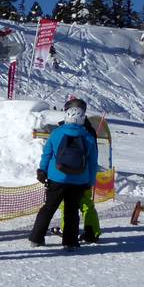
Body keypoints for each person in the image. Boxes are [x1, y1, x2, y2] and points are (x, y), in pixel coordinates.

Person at [29, 98, 99, 250]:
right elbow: (93, 162)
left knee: (48, 208)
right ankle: (70, 242)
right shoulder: (88, 136)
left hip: (56, 178)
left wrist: (42, 170)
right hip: (79, 180)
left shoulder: (57, 133)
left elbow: (47, 154)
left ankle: (36, 238)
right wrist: (90, 181)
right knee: (71, 211)